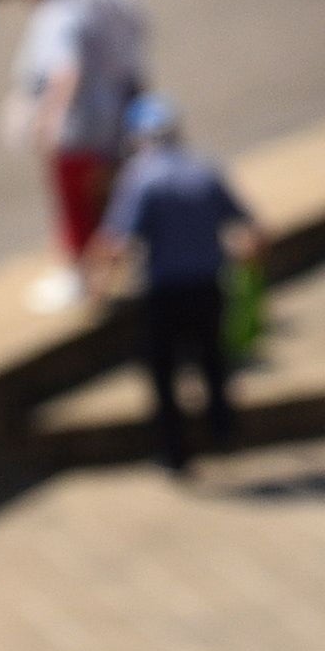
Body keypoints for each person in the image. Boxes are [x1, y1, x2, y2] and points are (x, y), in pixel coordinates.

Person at [97, 98, 262, 473]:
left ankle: (175, 453)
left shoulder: (141, 177)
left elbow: (116, 241)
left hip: (164, 292)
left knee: (164, 373)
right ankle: (222, 431)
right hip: (208, 286)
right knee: (213, 361)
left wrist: (98, 286)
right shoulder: (204, 170)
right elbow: (250, 227)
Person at [6, 0, 149, 314]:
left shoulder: (57, 14)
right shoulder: (88, 9)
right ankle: (105, 273)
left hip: (77, 131)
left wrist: (48, 120)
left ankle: (82, 279)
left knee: (77, 206)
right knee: (102, 200)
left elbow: (64, 70)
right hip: (104, 124)